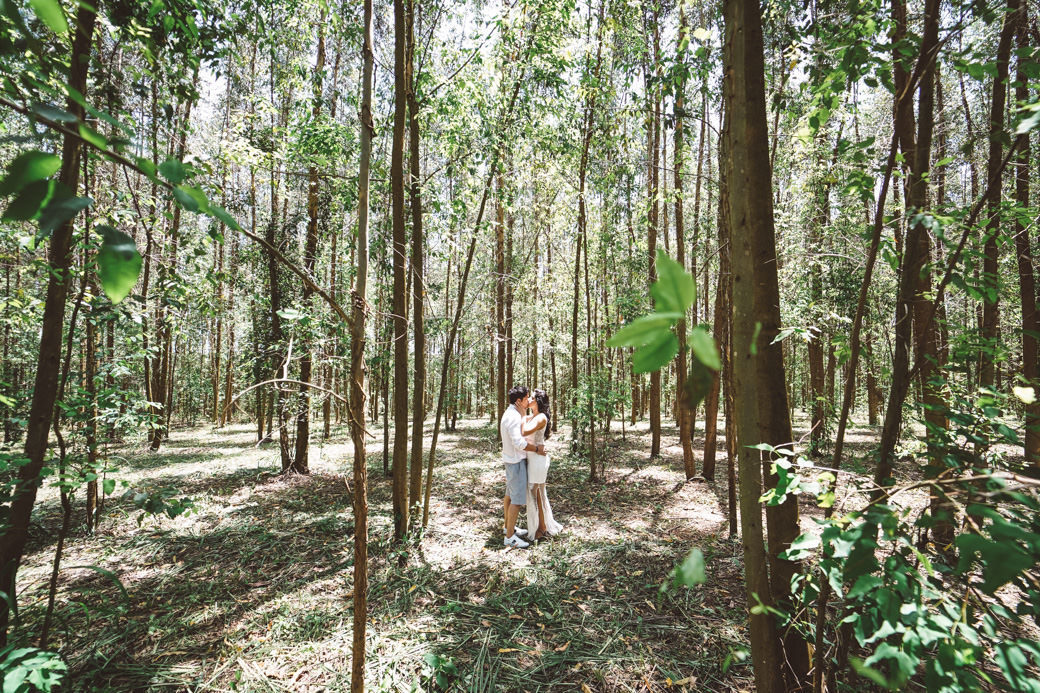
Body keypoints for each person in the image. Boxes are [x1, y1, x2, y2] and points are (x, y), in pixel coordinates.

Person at [500, 386, 544, 548]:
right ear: (519, 401)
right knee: (517, 501)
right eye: (526, 398)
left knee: (510, 495)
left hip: (512, 460)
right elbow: (519, 443)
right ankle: (509, 537)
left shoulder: (512, 413)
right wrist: (537, 449)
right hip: (516, 462)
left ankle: (508, 528)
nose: (528, 400)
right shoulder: (513, 417)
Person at [523, 389, 562, 540]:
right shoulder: (533, 416)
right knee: (535, 492)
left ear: (538, 401)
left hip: (538, 460)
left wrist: (522, 416)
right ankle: (540, 525)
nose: (528, 400)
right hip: (532, 457)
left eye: (531, 398)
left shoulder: (540, 418)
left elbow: (524, 432)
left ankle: (542, 528)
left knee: (537, 493)